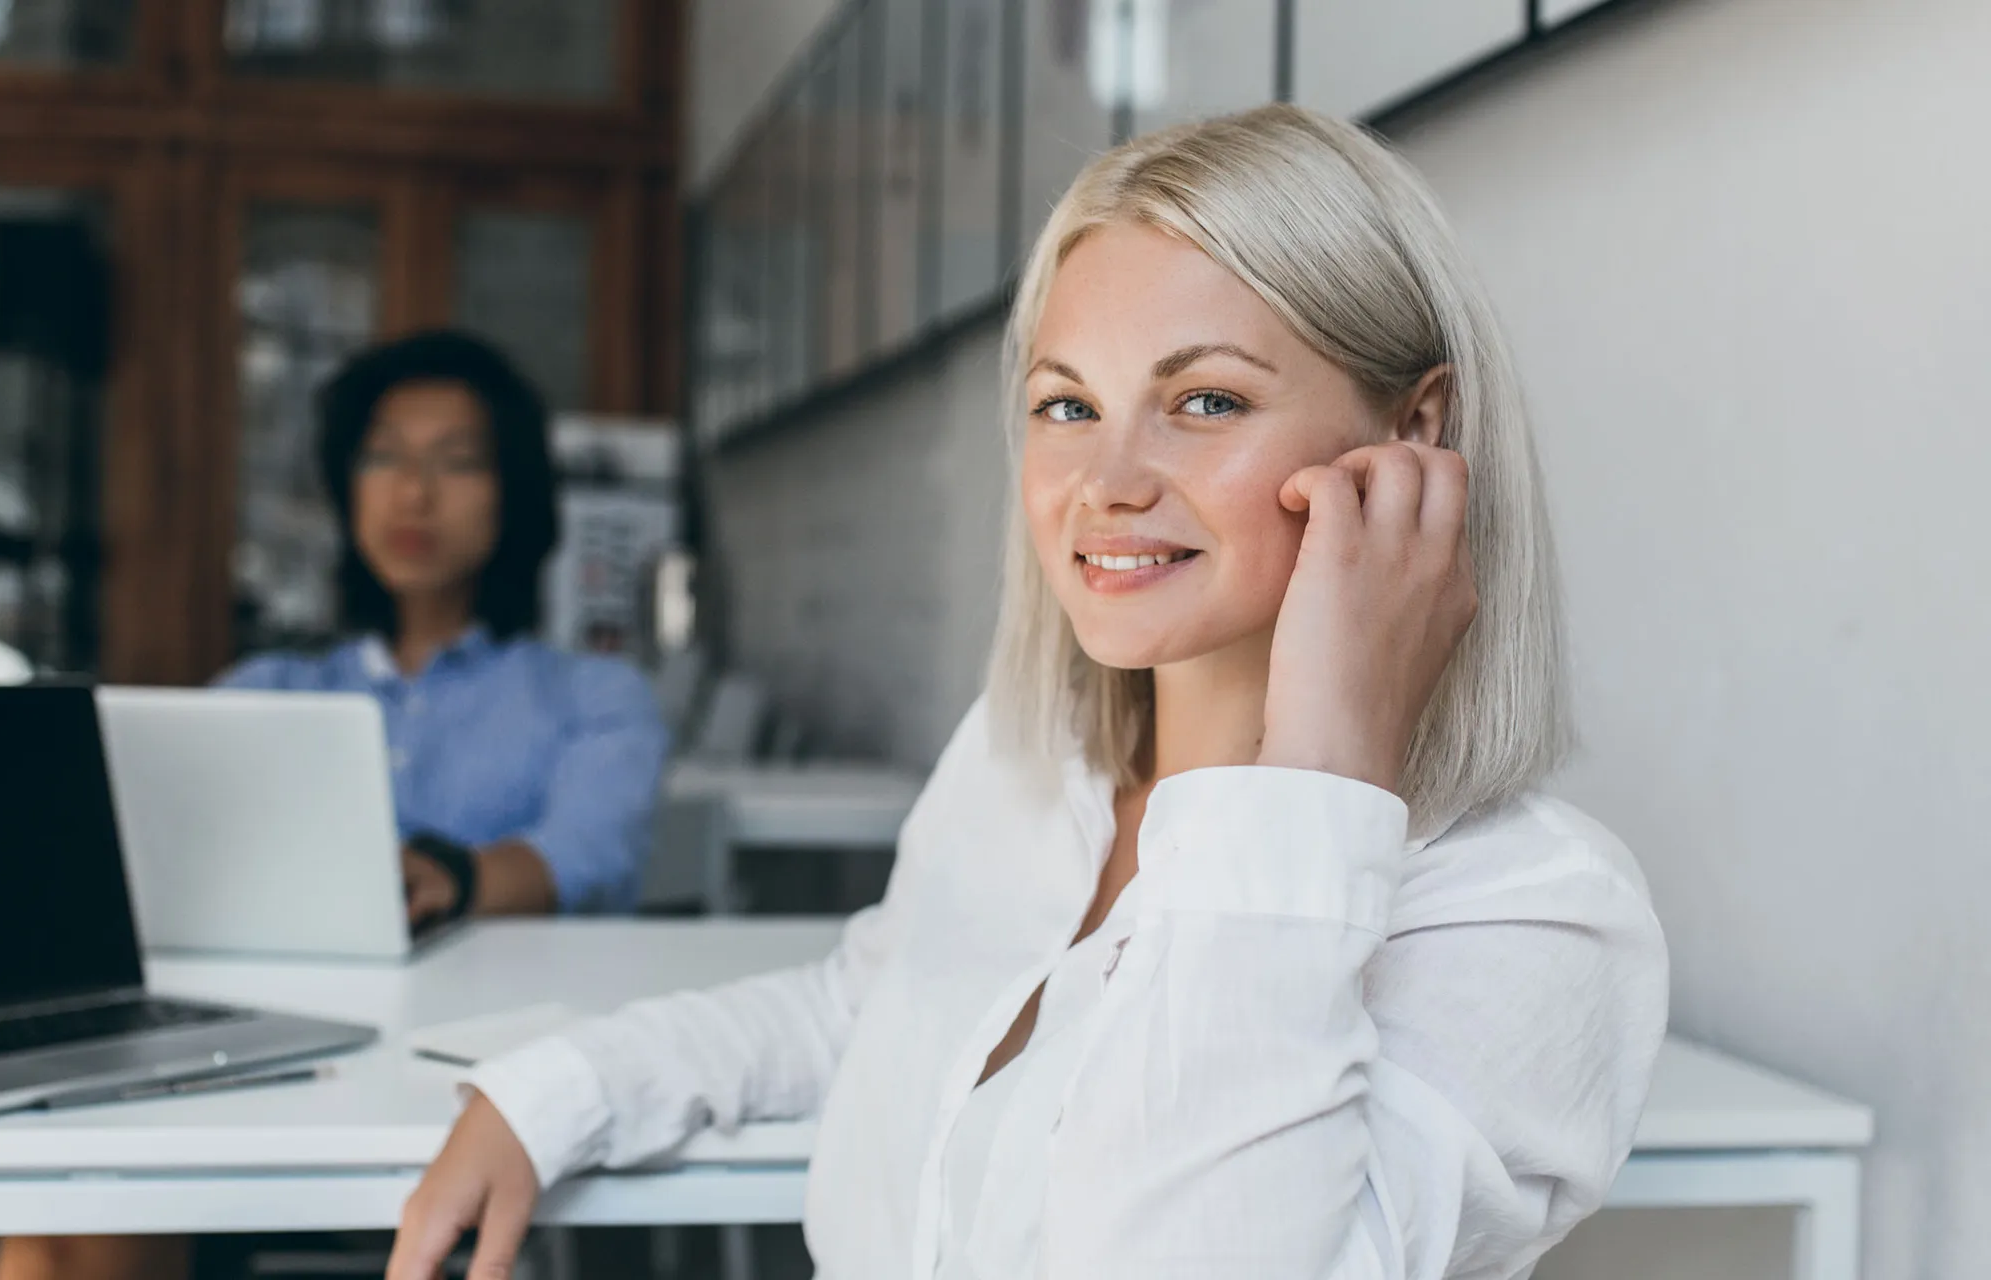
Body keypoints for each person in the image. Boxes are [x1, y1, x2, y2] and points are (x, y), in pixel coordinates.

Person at [390, 105, 1670, 1280]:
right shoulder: (1028, 763)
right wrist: (555, 1091)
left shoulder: (1530, 919)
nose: (1105, 479)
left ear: (1417, 435)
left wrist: (1315, 770)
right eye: (1068, 404)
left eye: (1205, 398)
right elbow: (865, 1004)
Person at [0, 329, 669, 1280]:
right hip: (261, 1071)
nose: (413, 492)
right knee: (58, 1232)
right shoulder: (268, 688)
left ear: (513, 494)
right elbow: (144, 834)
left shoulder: (593, 696)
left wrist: (457, 875)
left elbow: (589, 854)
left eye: (457, 462)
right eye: (384, 456)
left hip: (481, 1086)